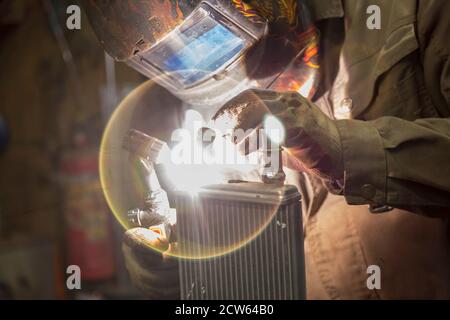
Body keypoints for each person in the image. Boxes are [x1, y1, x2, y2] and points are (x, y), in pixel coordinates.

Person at [85, 0, 450, 299]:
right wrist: (190, 267)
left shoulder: (405, 12)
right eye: (174, 61)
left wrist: (345, 150)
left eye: (213, 34)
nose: (221, 72)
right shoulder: (200, 98)